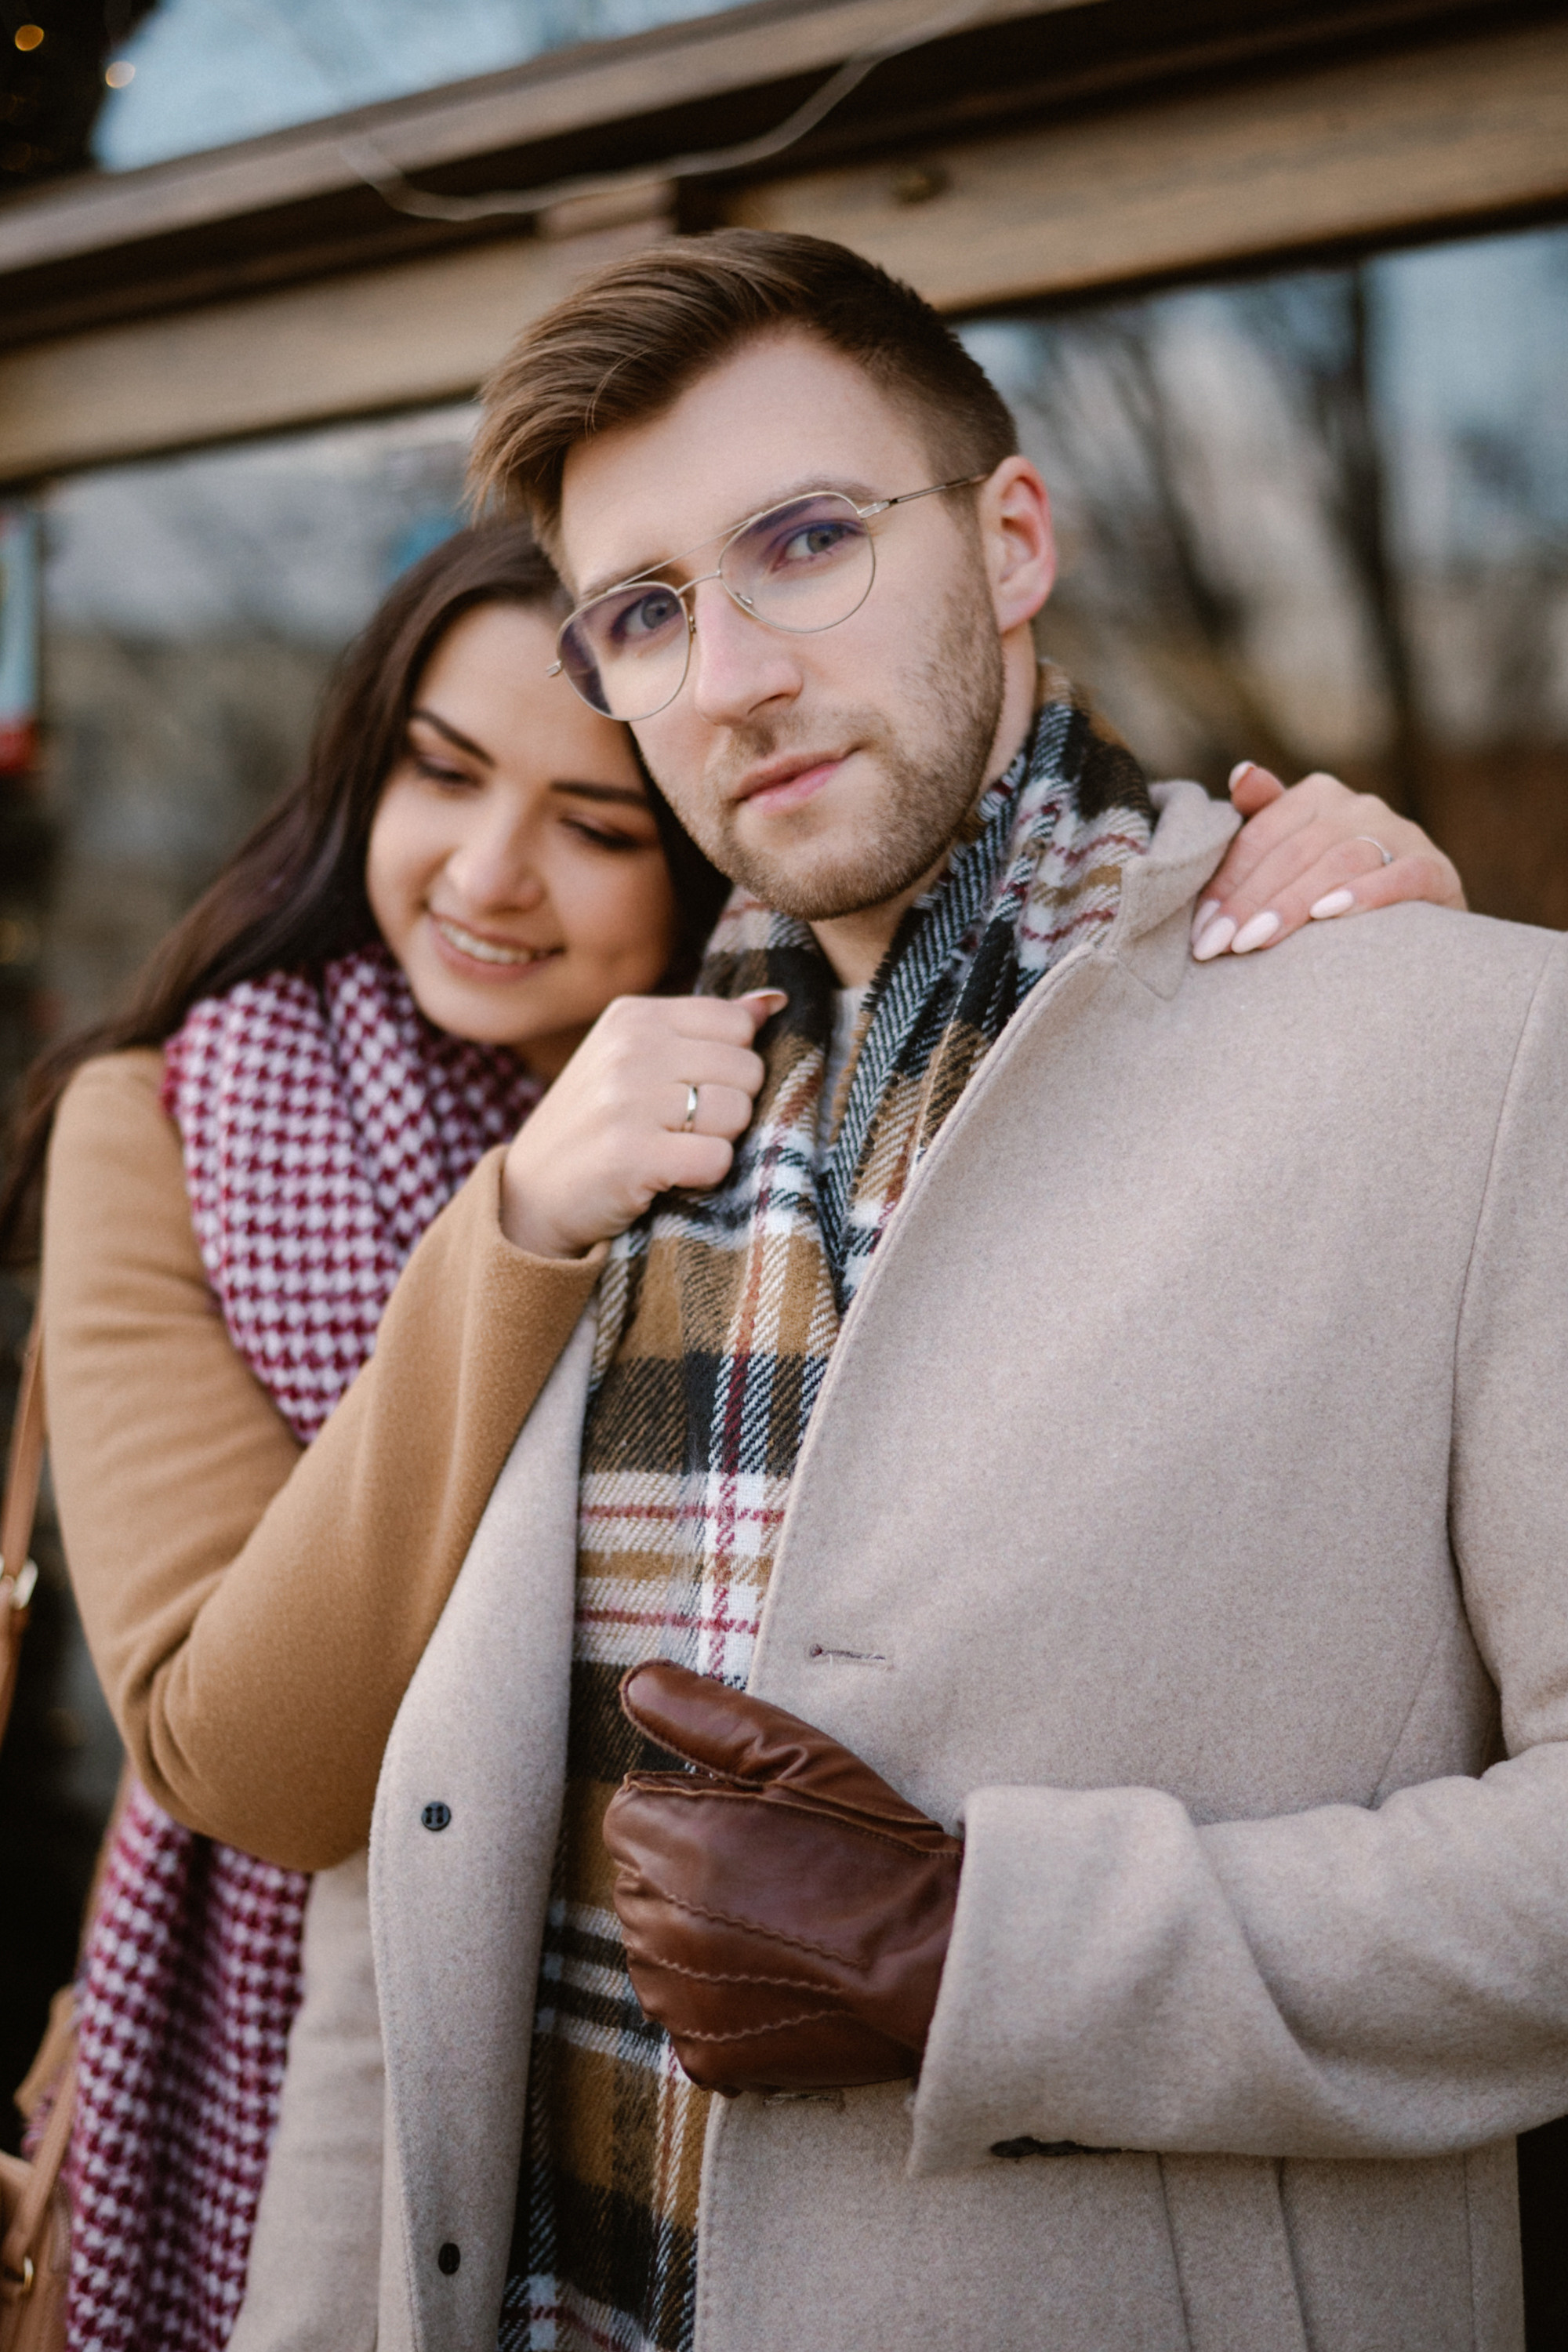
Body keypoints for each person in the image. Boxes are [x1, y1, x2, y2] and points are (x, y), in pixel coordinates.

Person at [309, 227, 1568, 2352]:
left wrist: (984, 1949)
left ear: (1009, 539)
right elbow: (403, 1879)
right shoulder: (599, 1123)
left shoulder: (1475, 1054)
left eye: (806, 542)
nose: (729, 677)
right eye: (644, 613)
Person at [0, 521, 764, 2347]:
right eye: (442, 773)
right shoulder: (167, 1121)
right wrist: (514, 1228)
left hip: (686, 2125)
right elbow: (243, 1759)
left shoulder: (784, 1146)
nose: (490, 874)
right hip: (252, 2117)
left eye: (594, 824)